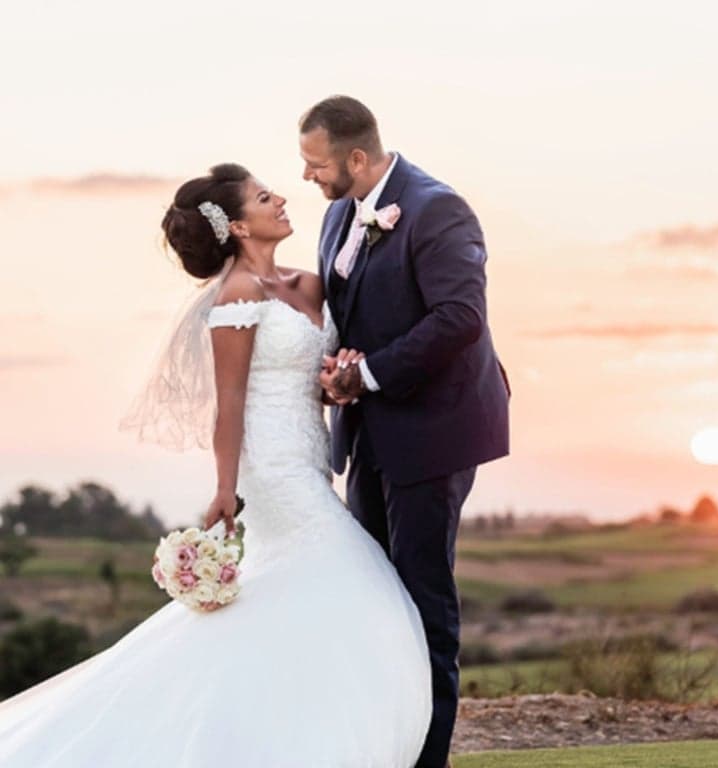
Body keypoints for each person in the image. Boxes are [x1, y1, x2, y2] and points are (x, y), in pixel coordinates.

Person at [0, 163, 432, 767]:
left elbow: (319, 373)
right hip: (271, 469)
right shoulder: (235, 297)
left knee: (300, 594)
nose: (281, 198)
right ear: (235, 225)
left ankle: (270, 726)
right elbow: (229, 401)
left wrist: (336, 380)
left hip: (312, 457)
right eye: (263, 197)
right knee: (360, 583)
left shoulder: (309, 285)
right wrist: (226, 490)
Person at [300, 96, 510, 768]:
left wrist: (373, 375)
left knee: (423, 603)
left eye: (316, 162)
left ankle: (428, 759)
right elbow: (354, 317)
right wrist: (340, 370)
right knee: (376, 597)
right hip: (370, 434)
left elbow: (459, 319)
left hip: (435, 430)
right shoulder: (337, 214)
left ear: (356, 157)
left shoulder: (435, 209)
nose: (307, 175)